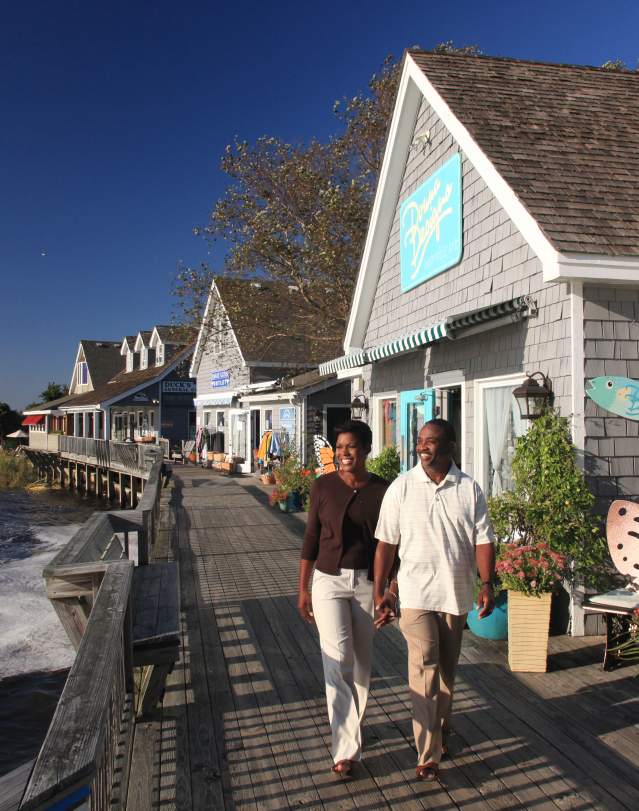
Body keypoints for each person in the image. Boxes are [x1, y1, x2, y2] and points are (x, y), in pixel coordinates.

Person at [373, 418, 495, 782]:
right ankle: (427, 754)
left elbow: (484, 540)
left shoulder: (469, 490)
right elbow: (386, 543)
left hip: (455, 595)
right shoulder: (402, 487)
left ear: (450, 445)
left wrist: (487, 584)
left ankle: (439, 729)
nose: (422, 446)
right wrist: (381, 588)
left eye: (431, 441)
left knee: (445, 671)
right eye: (420, 440)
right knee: (423, 663)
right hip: (414, 593)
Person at [298, 419, 389, 776]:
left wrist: (388, 590)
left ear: (366, 450)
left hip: (367, 582)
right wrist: (302, 588)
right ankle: (346, 750)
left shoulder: (383, 490)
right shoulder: (323, 487)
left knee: (362, 664)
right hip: (329, 581)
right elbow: (310, 539)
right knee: (337, 659)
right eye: (339, 448)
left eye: (351, 447)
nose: (344, 454)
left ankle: (351, 728)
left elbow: (389, 545)